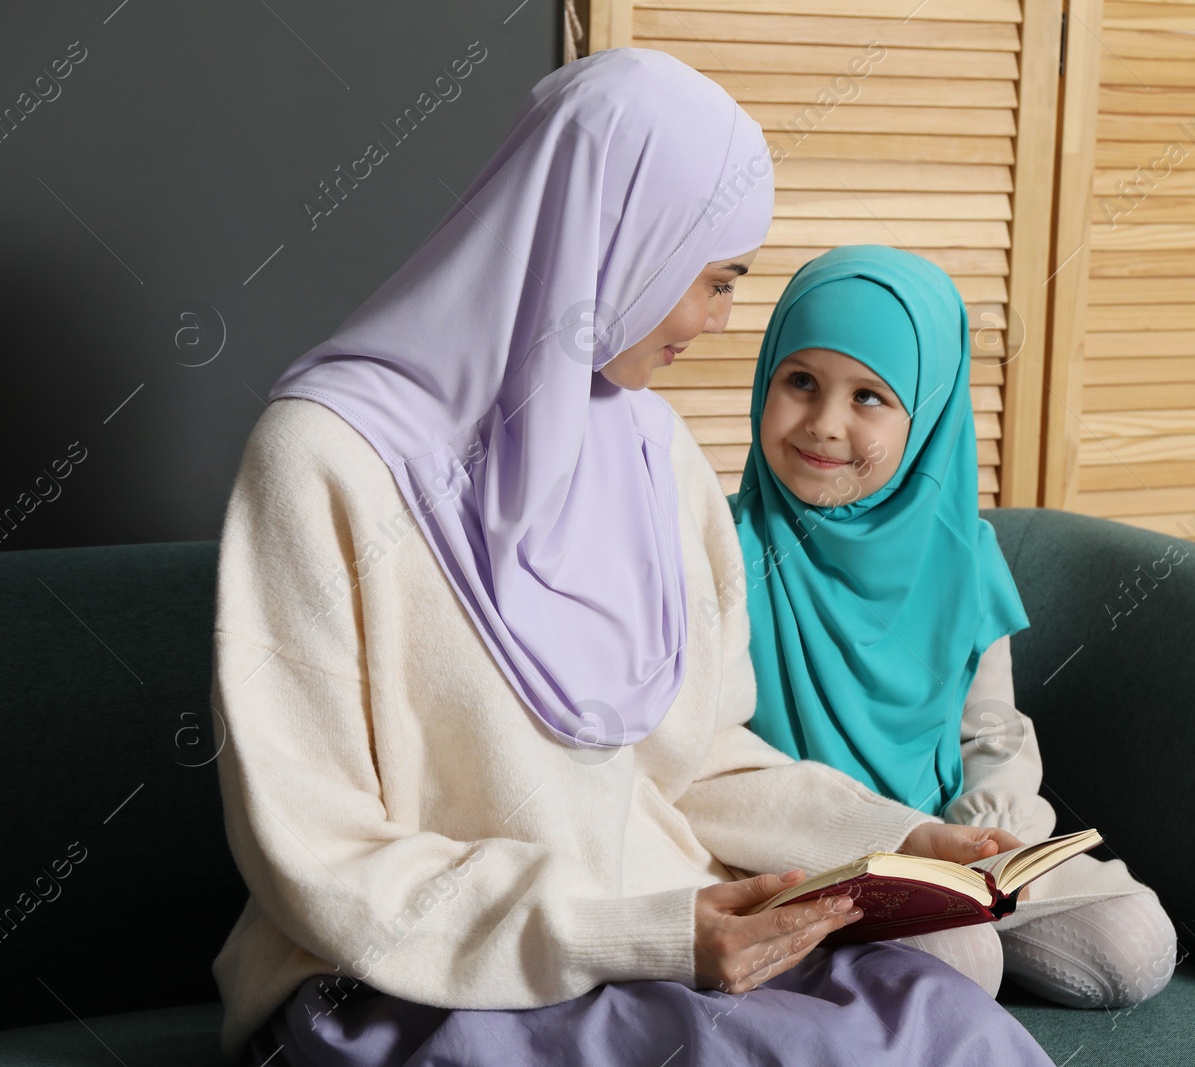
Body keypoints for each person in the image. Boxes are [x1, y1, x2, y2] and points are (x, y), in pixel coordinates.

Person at [209, 50, 1060, 1066]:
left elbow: (698, 755)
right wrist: (641, 928)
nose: (715, 323)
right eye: (711, 279)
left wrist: (890, 841)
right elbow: (316, 848)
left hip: (673, 939)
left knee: (957, 1032)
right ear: (612, 240)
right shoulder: (321, 460)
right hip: (418, 978)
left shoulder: (658, 456)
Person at [729, 244, 1179, 1007]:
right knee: (960, 959)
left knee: (1134, 939)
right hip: (790, 854)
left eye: (869, 396)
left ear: (930, 414)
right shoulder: (719, 548)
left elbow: (991, 729)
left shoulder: (964, 552)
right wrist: (887, 840)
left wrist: (991, 837)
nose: (825, 423)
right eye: (800, 381)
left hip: (947, 845)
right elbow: (715, 758)